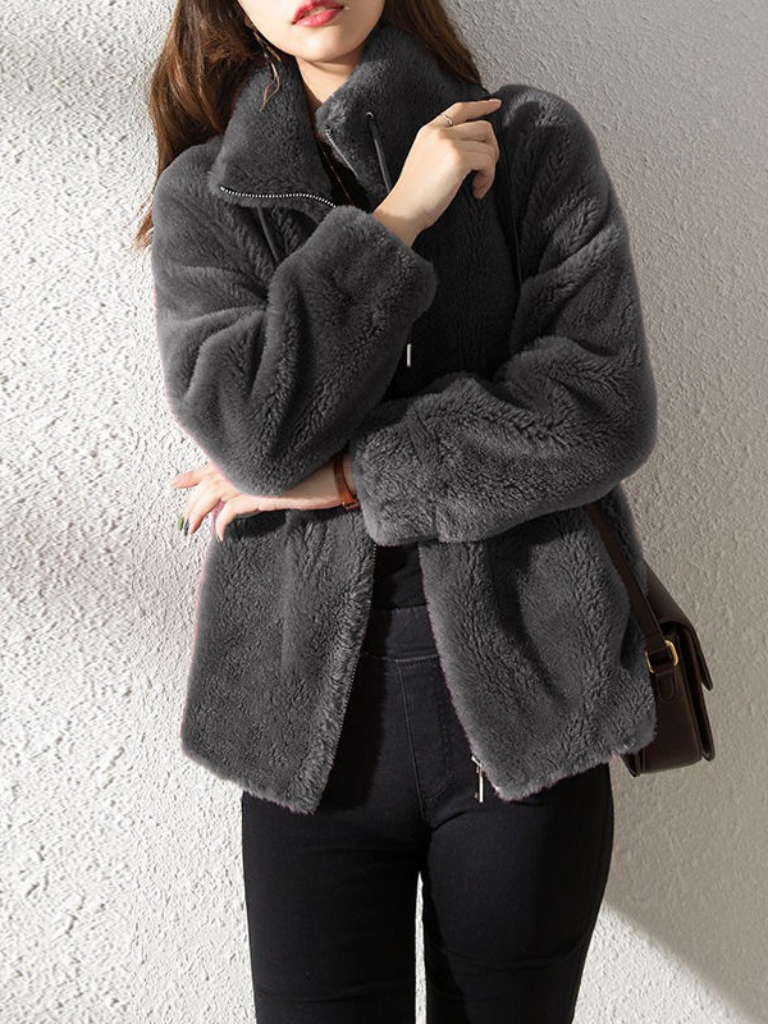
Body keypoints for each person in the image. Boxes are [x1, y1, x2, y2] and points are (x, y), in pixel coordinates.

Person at [137, 1, 659, 1020]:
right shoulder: (208, 196)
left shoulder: (532, 141)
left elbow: (599, 410)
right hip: (304, 744)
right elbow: (254, 436)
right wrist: (396, 221)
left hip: (529, 716)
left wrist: (346, 476)